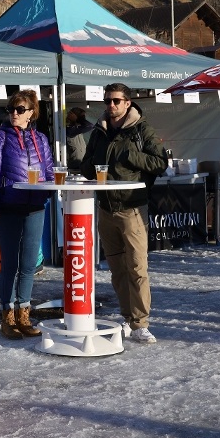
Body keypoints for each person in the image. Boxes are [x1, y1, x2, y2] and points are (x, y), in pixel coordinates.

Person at [80, 83, 169, 343]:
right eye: (107, 100)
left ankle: (141, 323)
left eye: (116, 101)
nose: (111, 105)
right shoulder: (99, 130)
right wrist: (93, 166)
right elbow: (85, 166)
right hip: (105, 208)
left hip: (132, 208)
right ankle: (128, 317)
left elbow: (160, 163)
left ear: (127, 103)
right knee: (117, 270)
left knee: (137, 268)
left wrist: (131, 155)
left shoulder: (141, 129)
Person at [0, 90, 54, 339]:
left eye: (20, 109)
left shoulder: (41, 139)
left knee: (29, 265)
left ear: (31, 113)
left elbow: (49, 171)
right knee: (10, 265)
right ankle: (7, 318)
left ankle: (24, 314)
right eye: (11, 109)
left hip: (35, 207)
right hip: (9, 206)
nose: (14, 113)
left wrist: (50, 190)